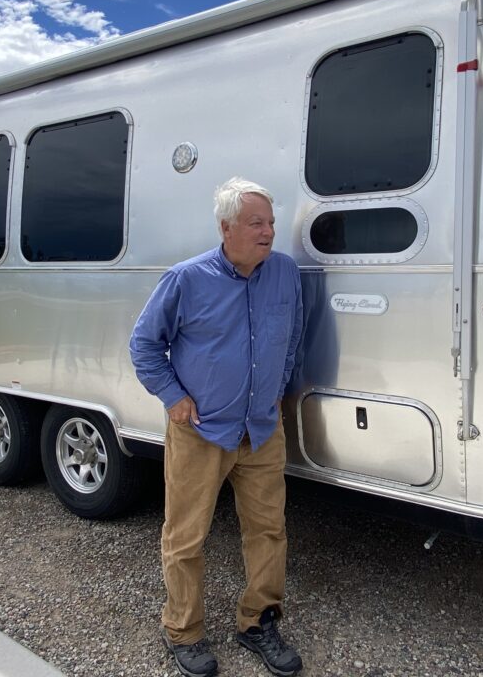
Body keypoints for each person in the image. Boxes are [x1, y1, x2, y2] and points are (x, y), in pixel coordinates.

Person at [130, 177, 304, 677]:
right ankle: (183, 632)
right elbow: (144, 346)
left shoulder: (285, 273)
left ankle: (258, 622)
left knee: (268, 529)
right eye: (256, 223)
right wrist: (174, 399)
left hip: (262, 429)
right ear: (226, 227)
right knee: (186, 537)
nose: (269, 231)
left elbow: (292, 335)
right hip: (201, 432)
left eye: (270, 222)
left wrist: (278, 385)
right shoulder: (187, 278)